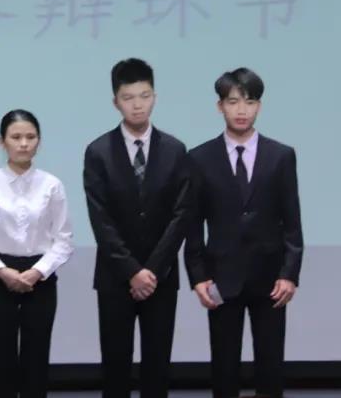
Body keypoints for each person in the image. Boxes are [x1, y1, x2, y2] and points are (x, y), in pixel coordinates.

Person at [184, 68, 304, 398]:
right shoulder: (199, 158)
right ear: (219, 106)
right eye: (233, 102)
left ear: (259, 107)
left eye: (249, 102)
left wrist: (289, 273)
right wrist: (198, 275)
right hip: (221, 277)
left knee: (270, 366)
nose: (241, 110)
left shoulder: (281, 156)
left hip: (271, 278)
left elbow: (292, 221)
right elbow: (192, 223)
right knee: (223, 368)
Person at [83, 58, 190, 398]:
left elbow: (181, 215)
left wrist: (152, 270)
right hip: (115, 277)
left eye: (144, 96)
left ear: (155, 97)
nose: (137, 105)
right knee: (115, 367)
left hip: (161, 277)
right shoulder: (98, 152)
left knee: (158, 367)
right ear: (115, 102)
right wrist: (132, 271)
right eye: (128, 98)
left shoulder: (175, 150)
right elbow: (100, 219)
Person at [0, 109, 73, 398]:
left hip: (41, 276)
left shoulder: (52, 185)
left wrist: (38, 271)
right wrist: (2, 271)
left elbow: (64, 239)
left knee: (36, 358)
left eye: (31, 137)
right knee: (0, 357)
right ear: (2, 142)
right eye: (16, 137)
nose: (24, 144)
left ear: (39, 141)